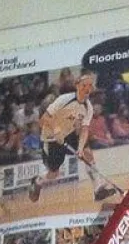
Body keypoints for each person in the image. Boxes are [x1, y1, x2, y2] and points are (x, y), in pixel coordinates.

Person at [28, 72, 117, 203]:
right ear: (78, 87)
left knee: (87, 152)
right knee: (54, 174)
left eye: (89, 86)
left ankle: (98, 189)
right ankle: (38, 181)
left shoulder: (88, 107)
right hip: (50, 139)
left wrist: (80, 148)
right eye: (84, 86)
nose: (87, 89)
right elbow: (44, 119)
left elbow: (84, 130)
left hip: (68, 134)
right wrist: (56, 130)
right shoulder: (63, 100)